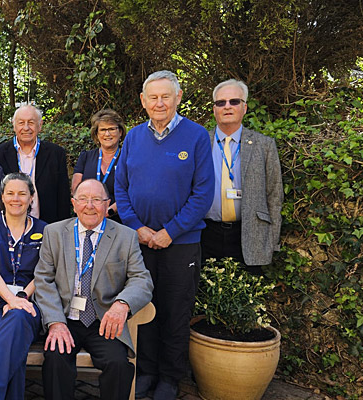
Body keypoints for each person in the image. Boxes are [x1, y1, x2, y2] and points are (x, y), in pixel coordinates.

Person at [114, 70, 215, 400]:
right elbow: (121, 188)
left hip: (180, 245)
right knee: (143, 309)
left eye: (165, 96)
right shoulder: (132, 137)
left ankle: (170, 379)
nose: (159, 103)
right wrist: (137, 228)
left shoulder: (197, 136)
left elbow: (202, 194)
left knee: (174, 311)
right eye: (153, 97)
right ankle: (145, 371)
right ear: (143, 101)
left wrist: (170, 232)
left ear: (178, 97)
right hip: (139, 242)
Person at [34, 179, 154, 400]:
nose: (89, 205)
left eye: (97, 200)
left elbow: (142, 279)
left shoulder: (125, 236)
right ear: (73, 203)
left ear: (107, 204)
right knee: (55, 359)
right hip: (66, 318)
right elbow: (43, 280)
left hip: (104, 321)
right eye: (83, 199)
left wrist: (122, 304)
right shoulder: (54, 233)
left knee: (118, 364)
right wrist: (55, 321)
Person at [0, 173, 46, 400]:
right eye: (10, 193)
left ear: (31, 198)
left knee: (14, 326)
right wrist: (10, 300)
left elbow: (44, 272)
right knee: (12, 340)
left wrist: (20, 299)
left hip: (29, 302)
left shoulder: (45, 230)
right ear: (2, 197)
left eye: (22, 193)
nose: (16, 199)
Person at [201, 79, 283, 274]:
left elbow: (274, 195)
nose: (227, 107)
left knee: (248, 300)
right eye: (221, 102)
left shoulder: (264, 145)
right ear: (214, 110)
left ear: (244, 108)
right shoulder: (201, 142)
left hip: (250, 234)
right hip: (206, 234)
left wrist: (271, 240)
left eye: (234, 101)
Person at [0, 104, 71, 223]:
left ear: (40, 125)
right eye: (21, 123)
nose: (26, 128)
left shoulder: (56, 154)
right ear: (14, 125)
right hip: (8, 227)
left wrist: (63, 228)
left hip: (47, 226)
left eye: (31, 122)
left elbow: (63, 197)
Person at [72, 109, 127, 222]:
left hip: (118, 220)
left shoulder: (127, 158)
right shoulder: (85, 157)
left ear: (120, 132)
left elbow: (132, 191)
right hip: (88, 217)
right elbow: (75, 190)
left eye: (112, 129)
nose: (107, 134)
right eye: (103, 130)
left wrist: (110, 210)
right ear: (96, 134)